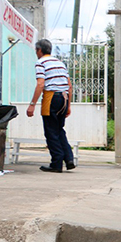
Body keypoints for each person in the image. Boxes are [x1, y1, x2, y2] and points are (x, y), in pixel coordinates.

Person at [28, 39, 75, 173]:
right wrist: (69, 106)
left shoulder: (41, 63)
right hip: (64, 97)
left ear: (39, 50)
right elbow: (69, 86)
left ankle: (56, 163)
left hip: (51, 98)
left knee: (51, 131)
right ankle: (69, 158)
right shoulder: (60, 63)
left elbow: (41, 84)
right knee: (59, 129)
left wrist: (32, 105)